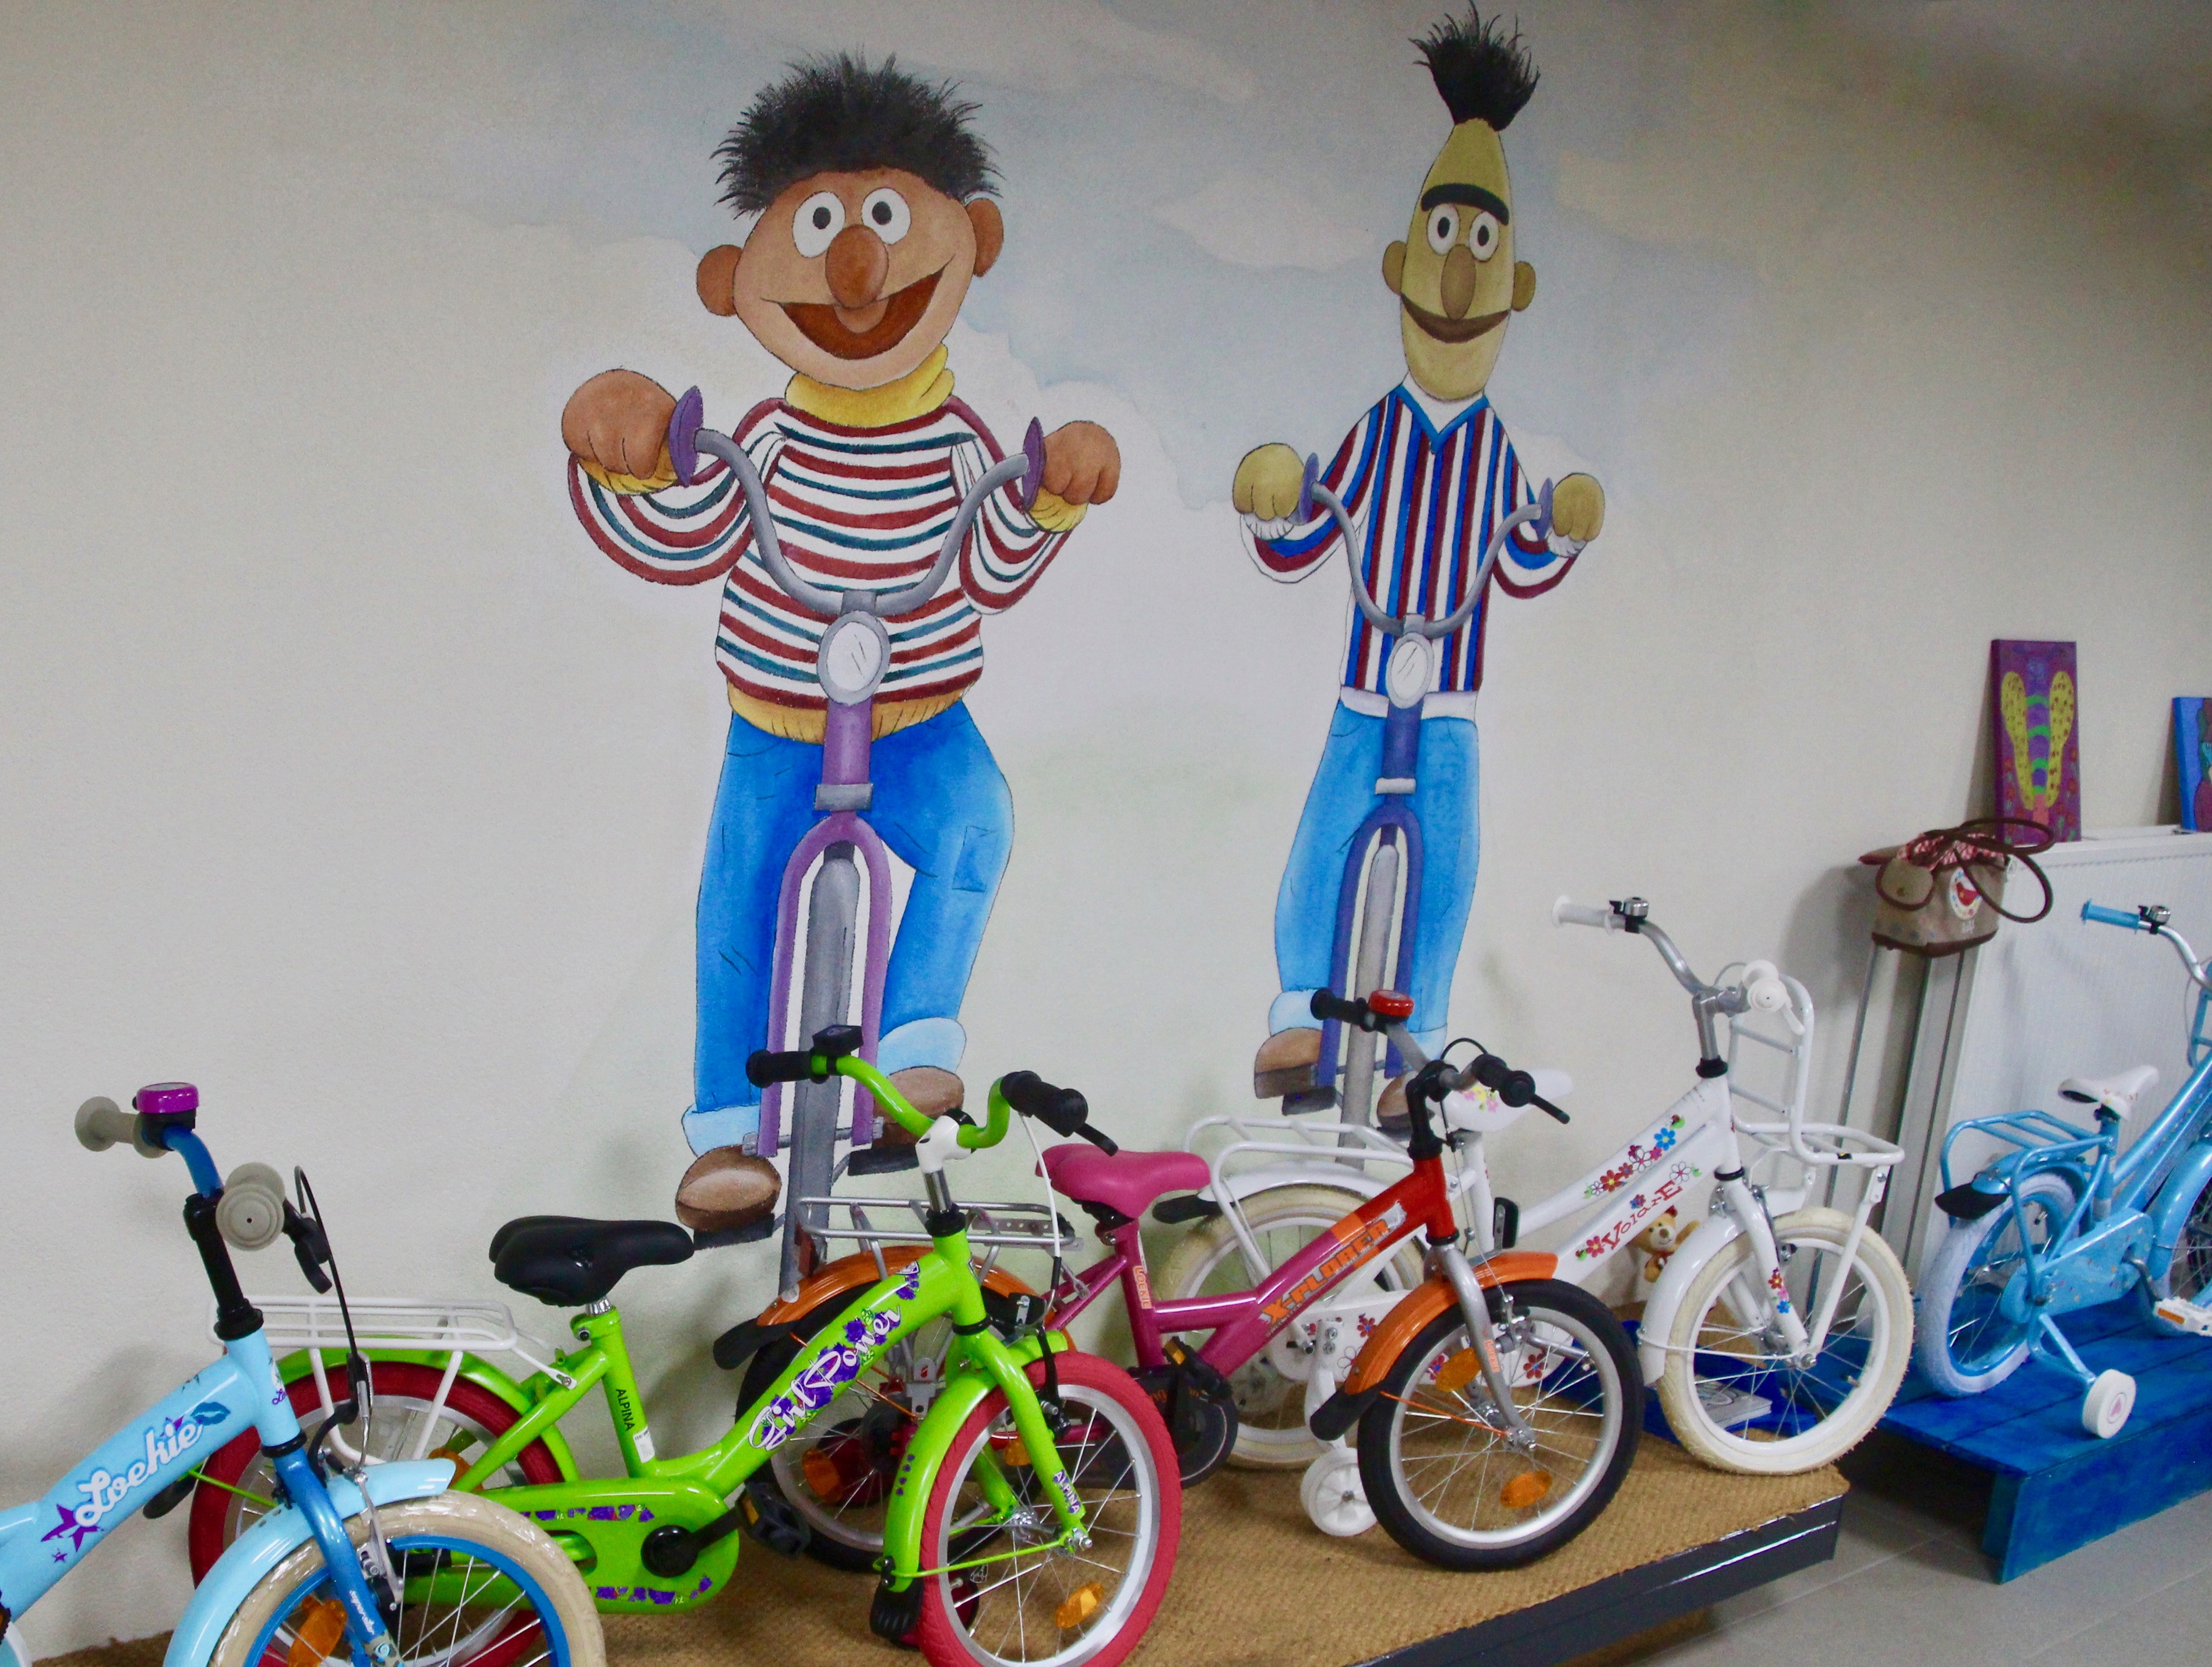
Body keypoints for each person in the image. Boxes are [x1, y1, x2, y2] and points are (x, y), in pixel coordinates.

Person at [561, 56, 1120, 1230]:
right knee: (737, 903)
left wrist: (1050, 494)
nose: (857, 266)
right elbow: (684, 535)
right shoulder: (763, 442)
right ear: (733, 284)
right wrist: (627, 459)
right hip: (776, 718)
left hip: (917, 717)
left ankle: (911, 1046)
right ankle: (727, 1129)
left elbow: (992, 561)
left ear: (972, 240)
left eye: (884, 222)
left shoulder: (958, 446)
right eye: (818, 228)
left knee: (976, 823)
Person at [1232, 10, 1603, 1116]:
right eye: (1443, 238)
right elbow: (1314, 531)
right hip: (1368, 686)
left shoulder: (1495, 451)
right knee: (1324, 841)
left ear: (1513, 285)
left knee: (1446, 859)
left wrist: (1560, 528)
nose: (1454, 277)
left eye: (1480, 245)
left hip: (1448, 700)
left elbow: (1520, 559)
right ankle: (1300, 1013)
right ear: (1404, 263)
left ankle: (1421, 1037)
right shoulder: (1377, 431)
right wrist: (1276, 506)